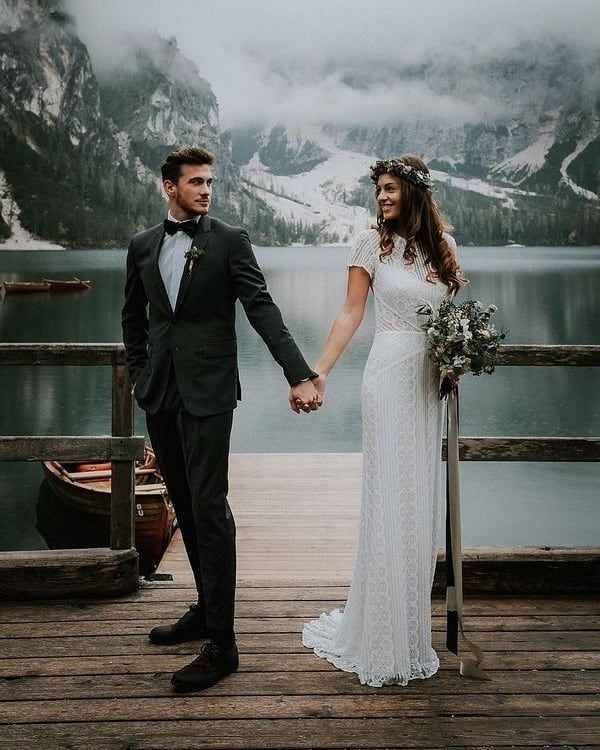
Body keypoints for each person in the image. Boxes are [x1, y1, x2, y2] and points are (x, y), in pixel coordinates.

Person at [121, 146, 321, 692]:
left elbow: (263, 309)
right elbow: (133, 321)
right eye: (195, 182)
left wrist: (298, 374)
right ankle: (206, 611)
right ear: (169, 187)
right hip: (160, 396)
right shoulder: (142, 246)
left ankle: (223, 644)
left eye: (211, 181)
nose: (206, 190)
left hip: (209, 396)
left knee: (209, 508)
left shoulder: (230, 241)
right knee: (183, 505)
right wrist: (141, 379)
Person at [300, 154, 465, 686]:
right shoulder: (371, 243)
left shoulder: (445, 249)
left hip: (427, 384)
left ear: (415, 192)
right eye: (379, 189)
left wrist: (457, 357)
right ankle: (380, 632)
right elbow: (351, 312)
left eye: (391, 188)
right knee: (389, 496)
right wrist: (319, 371)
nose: (382, 197)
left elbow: (448, 319)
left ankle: (410, 628)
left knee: (417, 498)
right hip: (388, 374)